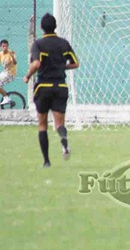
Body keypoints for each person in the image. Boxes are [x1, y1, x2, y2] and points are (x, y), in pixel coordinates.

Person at [23, 13, 79, 168]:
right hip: (60, 87)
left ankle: (46, 162)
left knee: (42, 124)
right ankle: (64, 141)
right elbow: (75, 64)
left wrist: (27, 76)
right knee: (59, 123)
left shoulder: (38, 44)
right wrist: (61, 67)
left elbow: (36, 64)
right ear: (55, 26)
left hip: (44, 87)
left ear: (41, 27)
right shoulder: (63, 43)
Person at [0, 39, 17, 106]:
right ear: (1, 47)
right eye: (3, 46)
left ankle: (6, 98)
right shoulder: (0, 54)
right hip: (4, 73)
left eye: (6, 46)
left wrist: (12, 55)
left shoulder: (10, 53)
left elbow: (15, 63)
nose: (5, 48)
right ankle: (6, 96)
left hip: (10, 74)